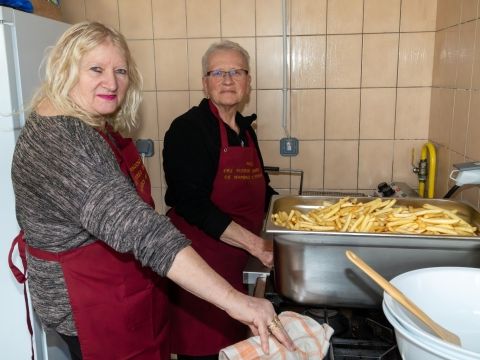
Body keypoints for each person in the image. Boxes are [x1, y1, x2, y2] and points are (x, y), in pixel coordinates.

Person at [9, 22, 294, 360]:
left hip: (118, 288)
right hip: (89, 305)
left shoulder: (88, 126)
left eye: (120, 71)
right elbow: (141, 229)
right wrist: (237, 300)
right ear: (65, 69)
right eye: (96, 69)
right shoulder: (61, 142)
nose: (112, 82)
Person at [163, 40, 278, 359]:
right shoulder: (188, 130)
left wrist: (291, 226)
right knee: (203, 349)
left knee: (231, 346)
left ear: (249, 81)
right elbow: (191, 203)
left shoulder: (245, 130)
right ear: (205, 82)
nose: (227, 80)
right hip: (199, 264)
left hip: (234, 259)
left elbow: (263, 190)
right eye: (217, 72)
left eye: (236, 71)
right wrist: (256, 244)